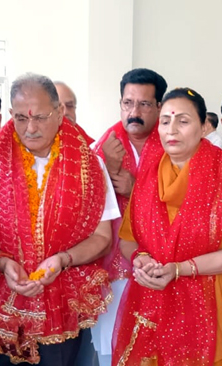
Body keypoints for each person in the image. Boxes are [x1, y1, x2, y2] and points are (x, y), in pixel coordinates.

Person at [0, 73, 118, 366]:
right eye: (20, 118)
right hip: (1, 303)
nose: (30, 129)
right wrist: (2, 262)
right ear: (10, 114)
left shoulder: (89, 165)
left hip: (62, 302)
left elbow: (102, 237)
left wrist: (62, 260)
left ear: (60, 113)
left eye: (40, 117)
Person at [112, 88, 222, 366]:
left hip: (206, 303)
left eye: (183, 121)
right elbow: (128, 239)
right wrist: (141, 260)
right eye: (165, 121)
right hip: (149, 300)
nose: (172, 130)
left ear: (204, 127)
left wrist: (179, 269)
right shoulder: (147, 175)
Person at [91, 68, 167, 365]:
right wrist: (106, 171)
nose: (134, 112)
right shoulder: (104, 145)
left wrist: (137, 189)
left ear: (159, 107)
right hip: (111, 267)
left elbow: (187, 202)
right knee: (114, 350)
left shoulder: (172, 145)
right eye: (127, 103)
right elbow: (82, 205)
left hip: (158, 265)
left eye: (144, 104)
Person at [54, 81, 94, 145]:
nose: (65, 112)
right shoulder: (36, 144)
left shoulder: (85, 146)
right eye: (58, 106)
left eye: (69, 106)